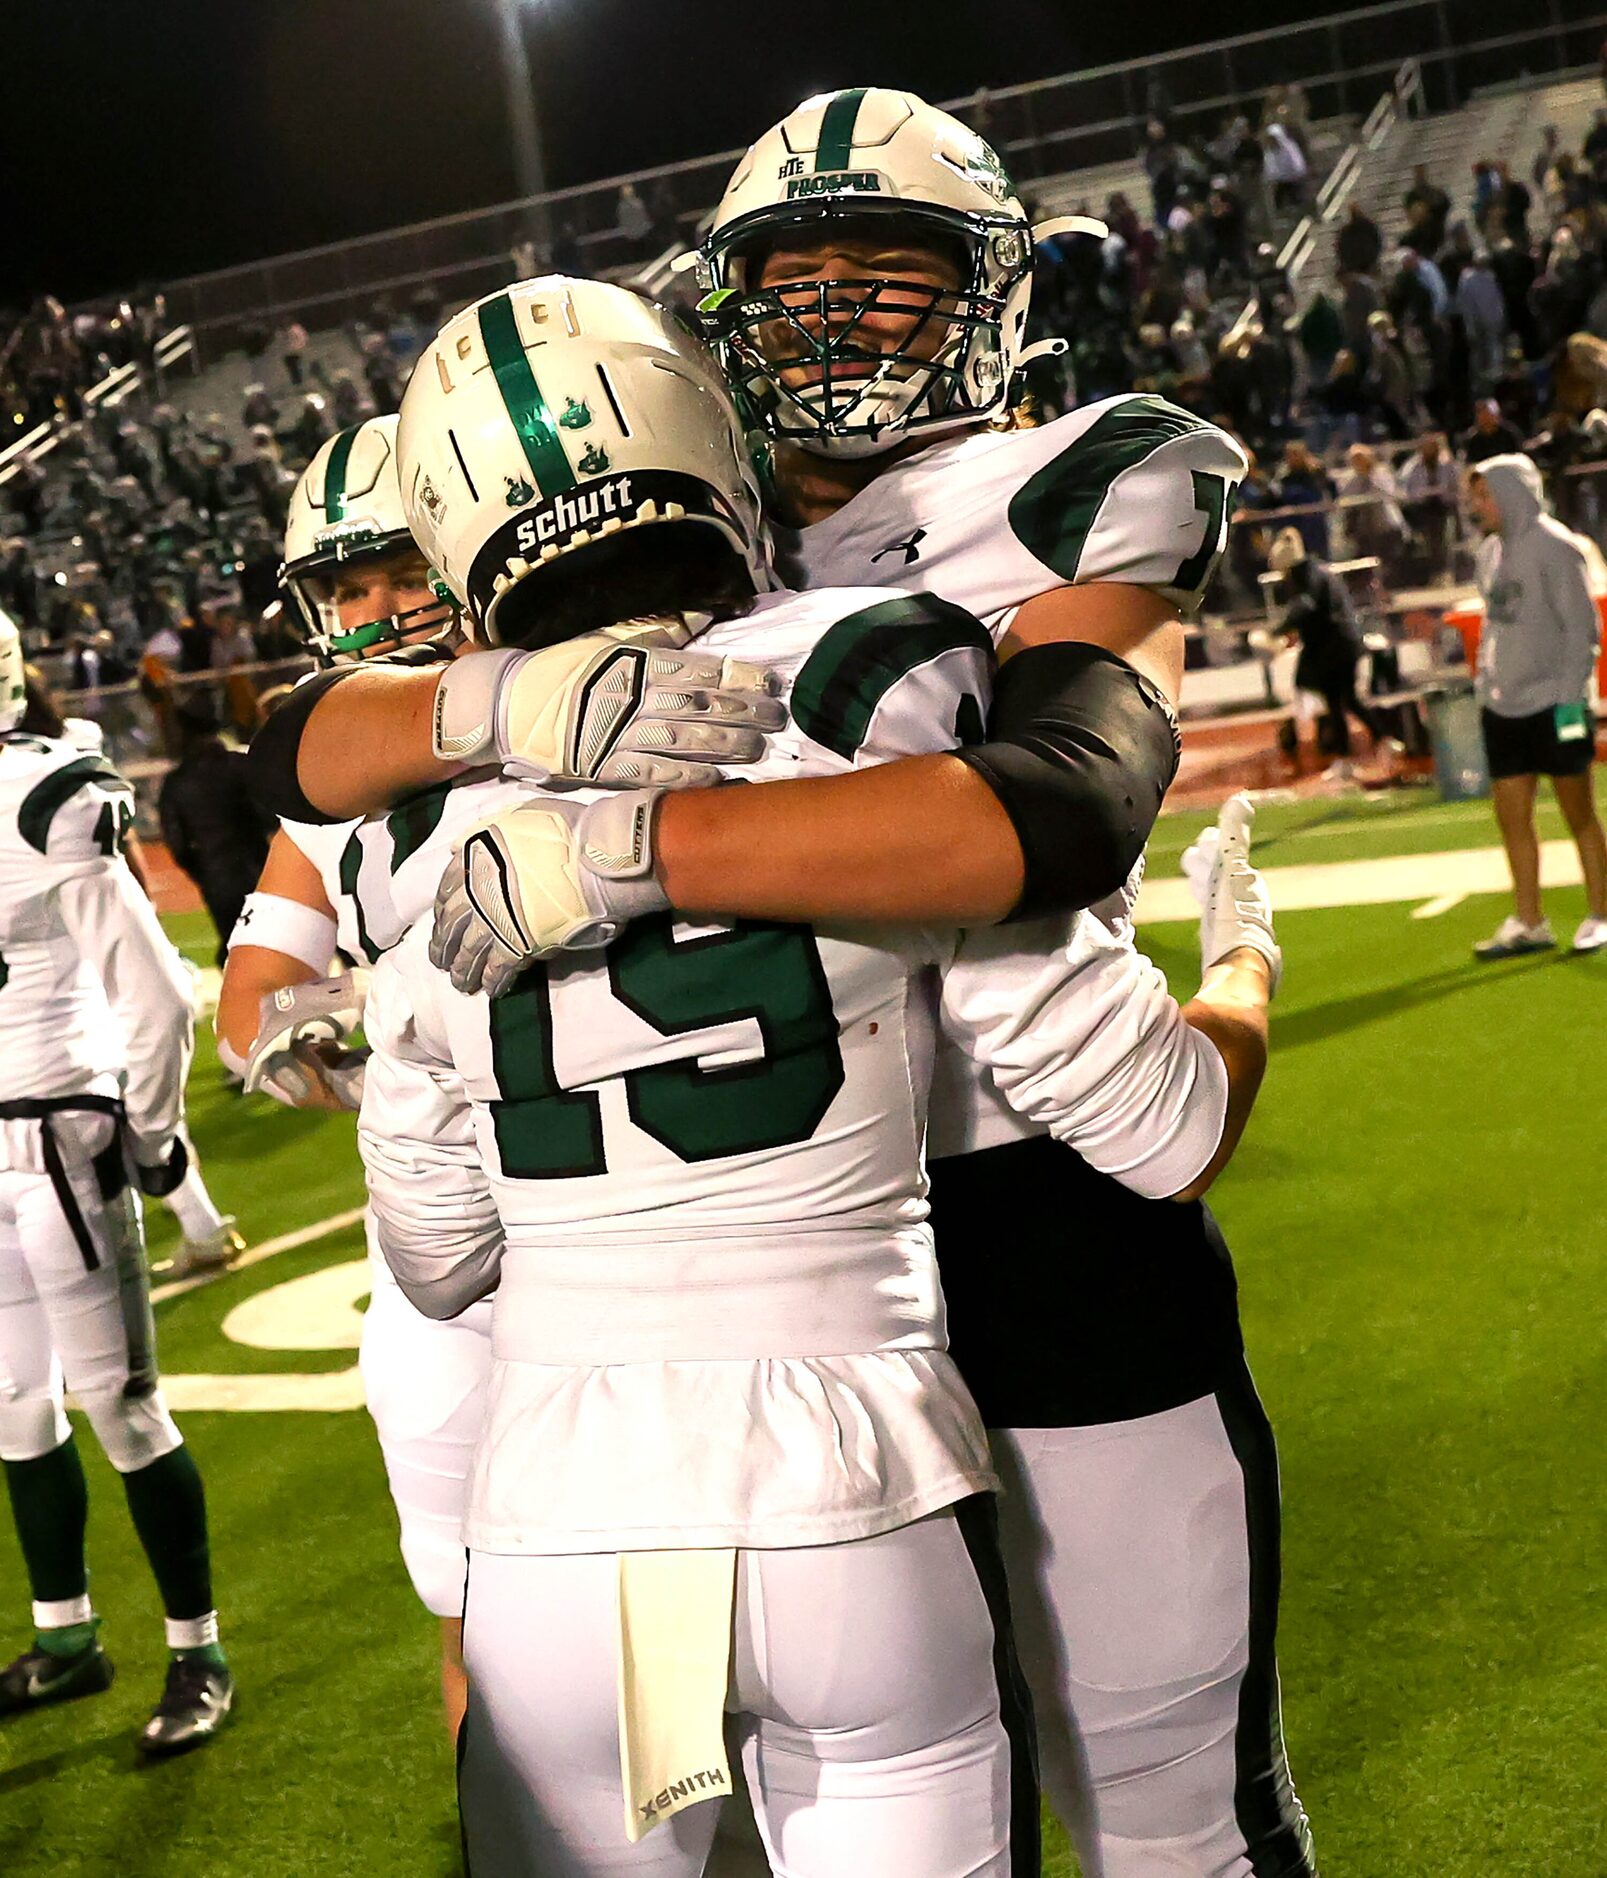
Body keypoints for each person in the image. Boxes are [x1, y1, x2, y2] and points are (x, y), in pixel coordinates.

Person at [249, 93, 1315, 1878]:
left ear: (985, 291)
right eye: (787, 272)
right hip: (727, 1271)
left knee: (1167, 1825)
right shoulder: (667, 486)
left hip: (1027, 1212)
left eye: (881, 271)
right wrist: (482, 704)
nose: (825, 309)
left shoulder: (1072, 476)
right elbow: (304, 747)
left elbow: (1060, 803)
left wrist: (631, 856)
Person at [0, 611, 234, 1752]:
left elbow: (151, 992)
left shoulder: (45, 798)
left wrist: (146, 1134)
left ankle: (197, 1651)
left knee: (122, 1407)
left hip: (57, 1131)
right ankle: (67, 1638)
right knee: (10, 1407)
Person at [1466, 457, 1607, 956]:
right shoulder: (1489, 554)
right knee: (1512, 817)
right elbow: (1493, 626)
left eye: (1485, 496)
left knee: (1579, 813)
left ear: (1512, 492)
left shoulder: (1558, 546)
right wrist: (1487, 684)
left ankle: (1600, 914)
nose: (1477, 506)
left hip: (1561, 706)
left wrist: (1571, 696)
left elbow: (1583, 629)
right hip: (1504, 709)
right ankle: (1530, 921)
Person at [1267, 528, 1395, 771]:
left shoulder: (1305, 576)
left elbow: (1305, 607)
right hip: (1341, 645)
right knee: (1346, 699)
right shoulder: (1317, 571)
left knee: (1337, 702)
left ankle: (1348, 753)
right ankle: (1379, 738)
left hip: (1334, 648)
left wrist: (1277, 630)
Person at [157, 695, 271, 966]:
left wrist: (204, 875)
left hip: (217, 880)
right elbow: (270, 819)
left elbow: (178, 844)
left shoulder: (177, 782)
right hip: (263, 872)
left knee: (236, 955)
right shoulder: (242, 764)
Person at [1462, 395, 1525, 463]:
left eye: (1488, 415)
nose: (1485, 419)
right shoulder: (1472, 439)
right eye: (1481, 414)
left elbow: (1519, 457)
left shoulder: (1509, 434)